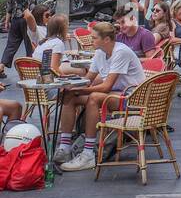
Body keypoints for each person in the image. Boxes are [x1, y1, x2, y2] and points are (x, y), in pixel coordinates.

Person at [56, 21, 147, 171]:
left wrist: (79, 90)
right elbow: (89, 80)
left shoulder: (120, 52)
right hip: (116, 95)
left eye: (94, 38)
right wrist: (70, 86)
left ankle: (88, 153)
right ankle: (65, 147)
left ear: (106, 40)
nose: (91, 41)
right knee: (70, 98)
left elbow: (106, 86)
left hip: (133, 98)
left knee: (94, 98)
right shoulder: (100, 52)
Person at [0, 0, 37, 74]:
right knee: (29, 45)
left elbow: (9, 7)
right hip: (26, 21)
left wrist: (7, 21)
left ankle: (1, 67)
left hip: (15, 20)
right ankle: (31, 69)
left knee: (11, 45)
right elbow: (33, 8)